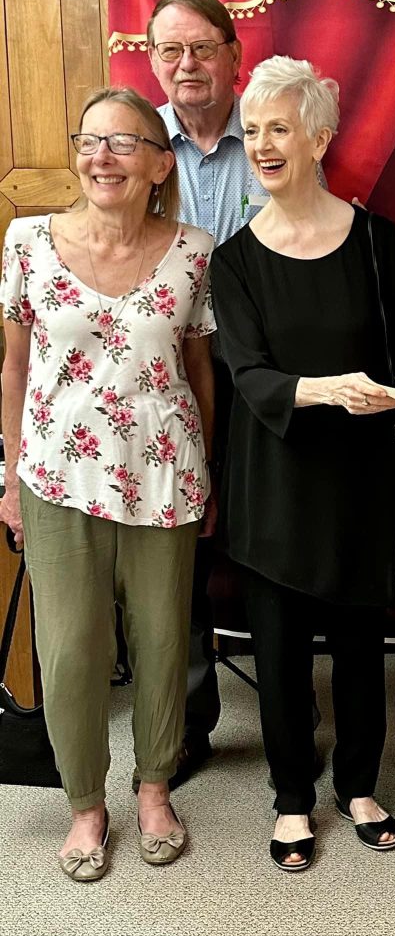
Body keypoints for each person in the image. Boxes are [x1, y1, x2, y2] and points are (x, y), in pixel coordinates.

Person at [0, 86, 216, 880]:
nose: (102, 157)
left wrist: (208, 474)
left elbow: (198, 370)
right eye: (90, 141)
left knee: (162, 640)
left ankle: (154, 788)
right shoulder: (28, 240)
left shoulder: (195, 250)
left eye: (124, 143)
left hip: (165, 473)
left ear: (160, 164)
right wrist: (9, 477)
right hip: (55, 475)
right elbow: (14, 369)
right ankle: (85, 804)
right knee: (69, 650)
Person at [209, 56, 395, 871]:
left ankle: (359, 785)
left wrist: (390, 397)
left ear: (319, 139)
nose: (262, 144)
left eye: (279, 129)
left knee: (361, 646)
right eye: (253, 130)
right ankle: (292, 797)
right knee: (281, 652)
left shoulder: (375, 241)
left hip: (358, 479)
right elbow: (250, 375)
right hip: (274, 480)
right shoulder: (233, 260)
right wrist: (328, 390)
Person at [147, 0, 324, 784]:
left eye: (201, 48)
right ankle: (190, 722)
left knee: (272, 541)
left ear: (233, 55)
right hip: (165, 378)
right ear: (154, 61)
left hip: (260, 374)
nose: (186, 64)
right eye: (170, 50)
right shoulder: (139, 142)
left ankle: (291, 705)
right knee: (176, 553)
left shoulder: (270, 131)